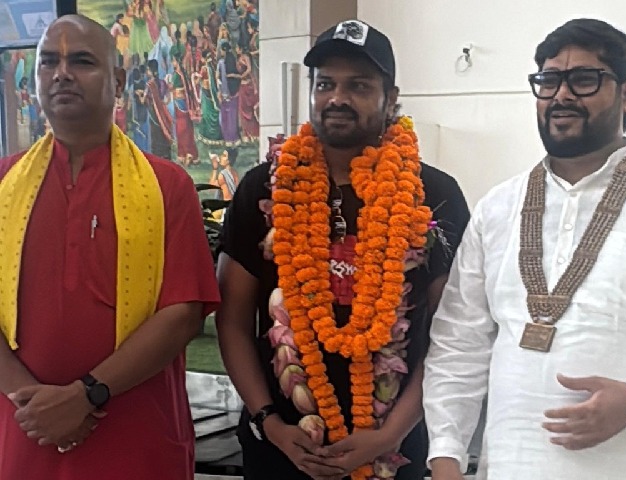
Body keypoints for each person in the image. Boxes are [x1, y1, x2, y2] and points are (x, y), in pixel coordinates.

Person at [422, 18, 626, 480]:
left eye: (584, 79)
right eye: (548, 81)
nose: (561, 95)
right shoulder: (498, 209)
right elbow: (458, 344)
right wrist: (446, 458)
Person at [217, 19, 470, 480]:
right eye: (325, 84)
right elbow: (232, 319)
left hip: (393, 450)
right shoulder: (266, 187)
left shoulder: (433, 194)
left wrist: (389, 435)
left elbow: (452, 335)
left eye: (359, 85)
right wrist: (270, 424)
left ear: (391, 97)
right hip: (281, 449)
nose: (337, 98)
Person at [0, 15, 220, 480]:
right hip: (25, 433)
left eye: (82, 61)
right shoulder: (3, 184)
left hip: (136, 435)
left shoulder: (167, 186)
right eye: (48, 62)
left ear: (118, 81)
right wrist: (32, 405)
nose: (62, 74)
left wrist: (86, 395)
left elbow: (182, 312)